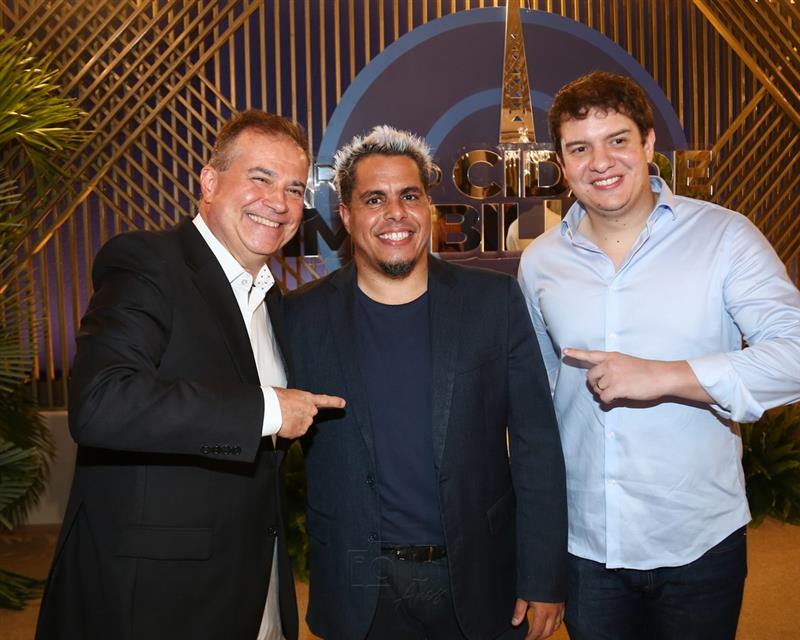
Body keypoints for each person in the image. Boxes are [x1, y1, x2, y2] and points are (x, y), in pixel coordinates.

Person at [35, 110, 345, 640]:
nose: (279, 202)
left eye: (295, 189)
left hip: (255, 587)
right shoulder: (148, 262)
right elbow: (102, 403)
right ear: (209, 181)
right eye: (261, 178)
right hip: (156, 601)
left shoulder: (271, 299)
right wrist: (268, 410)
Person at [518, 70, 800, 640]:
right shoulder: (540, 261)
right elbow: (540, 398)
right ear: (562, 164)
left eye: (617, 140)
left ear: (648, 144)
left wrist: (667, 376)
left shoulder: (725, 237)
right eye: (580, 148)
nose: (601, 162)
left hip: (700, 540)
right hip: (588, 545)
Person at [285, 126, 567, 640]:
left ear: (429, 208)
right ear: (346, 216)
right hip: (359, 583)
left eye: (410, 196)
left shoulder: (494, 302)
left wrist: (544, 574)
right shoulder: (300, 318)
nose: (396, 213)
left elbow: (537, 445)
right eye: (374, 199)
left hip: (480, 579)